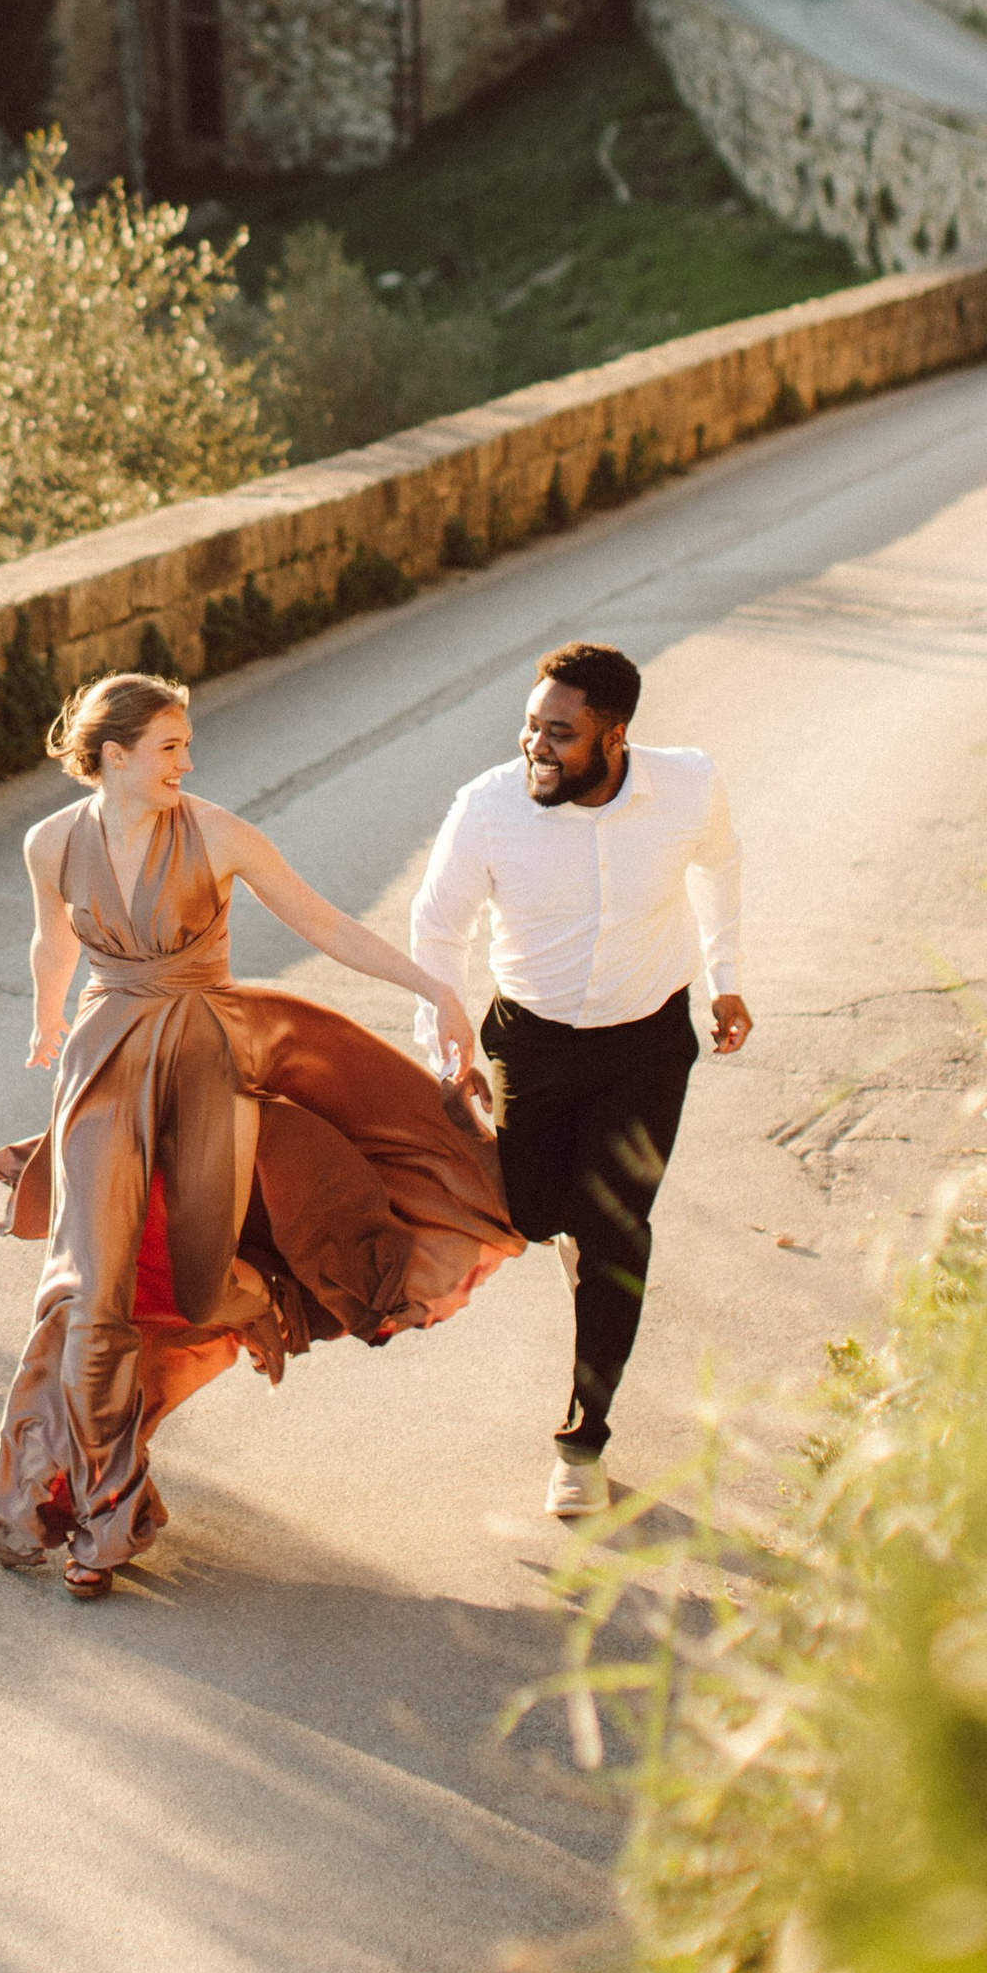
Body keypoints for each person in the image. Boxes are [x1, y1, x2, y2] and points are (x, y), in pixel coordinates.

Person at [0, 671, 520, 1598]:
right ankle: (105, 1517)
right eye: (170, 748)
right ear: (113, 758)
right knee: (85, 1292)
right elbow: (51, 940)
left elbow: (325, 923)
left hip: (204, 1069)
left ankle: (257, 1302)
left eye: (187, 744)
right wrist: (45, 1017)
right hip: (102, 1068)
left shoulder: (218, 834)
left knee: (186, 1278)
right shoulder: (51, 842)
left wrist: (432, 989)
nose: (188, 762)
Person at [410, 639, 750, 1522]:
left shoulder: (686, 786)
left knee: (616, 1235)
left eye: (560, 734)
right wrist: (445, 1056)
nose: (536, 747)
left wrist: (727, 976)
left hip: (645, 1042)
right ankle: (574, 1230)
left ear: (615, 735)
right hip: (533, 1041)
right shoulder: (487, 810)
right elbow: (436, 928)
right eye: (530, 726)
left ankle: (583, 1438)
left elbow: (721, 864)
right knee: (527, 1214)